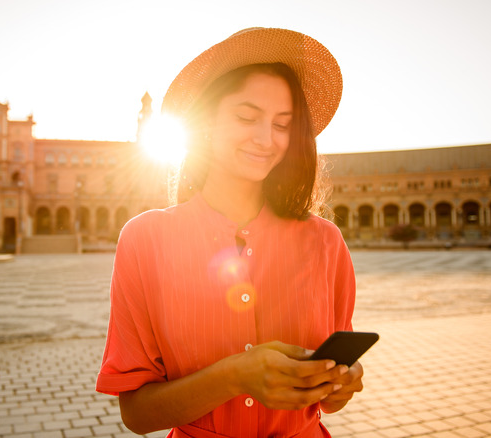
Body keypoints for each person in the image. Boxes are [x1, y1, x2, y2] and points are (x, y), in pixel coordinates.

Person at [97, 27, 361, 437]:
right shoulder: (145, 240)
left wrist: (339, 383)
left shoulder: (325, 242)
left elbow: (328, 394)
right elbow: (136, 414)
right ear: (205, 123)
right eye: (246, 116)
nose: (265, 138)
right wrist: (235, 376)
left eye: (282, 123)